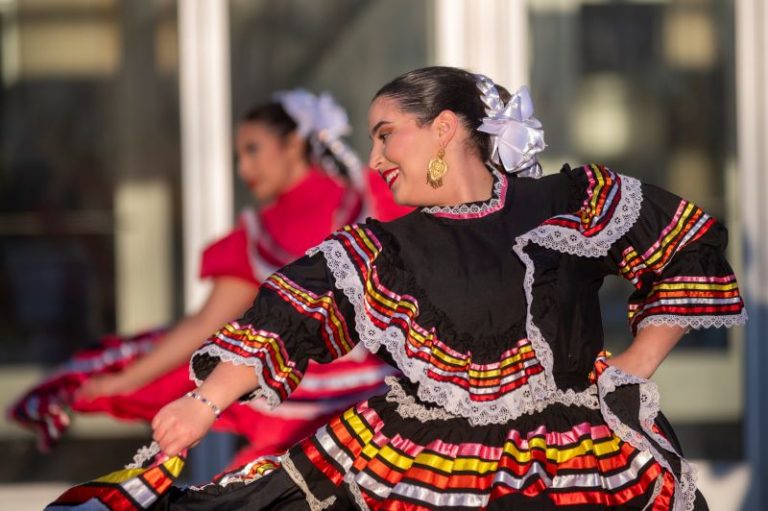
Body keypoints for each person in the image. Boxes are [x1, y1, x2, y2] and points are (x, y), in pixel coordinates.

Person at [52, 67, 746, 510]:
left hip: (578, 461)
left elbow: (689, 240)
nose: (376, 159)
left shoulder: (572, 199)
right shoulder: (385, 247)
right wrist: (204, 401)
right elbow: (291, 310)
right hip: (427, 467)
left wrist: (638, 362)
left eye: (388, 136)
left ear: (444, 129)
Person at [10, 89, 396, 468]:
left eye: (253, 150)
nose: (245, 169)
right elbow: (206, 326)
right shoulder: (271, 230)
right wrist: (121, 381)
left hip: (378, 402)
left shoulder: (377, 193)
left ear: (293, 143)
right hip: (318, 410)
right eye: (238, 157)